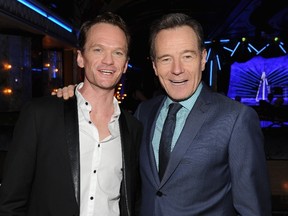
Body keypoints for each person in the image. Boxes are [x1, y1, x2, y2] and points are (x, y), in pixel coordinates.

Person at [55, 13, 272, 215]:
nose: (177, 69)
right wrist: (76, 95)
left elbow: (253, 208)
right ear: (155, 66)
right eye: (166, 59)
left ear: (203, 58)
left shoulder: (236, 119)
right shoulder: (144, 113)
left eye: (187, 56)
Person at [0, 12, 142, 216]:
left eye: (118, 53)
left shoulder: (133, 128)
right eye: (98, 49)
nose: (108, 61)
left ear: (125, 64)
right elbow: (10, 203)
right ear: (80, 58)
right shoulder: (40, 116)